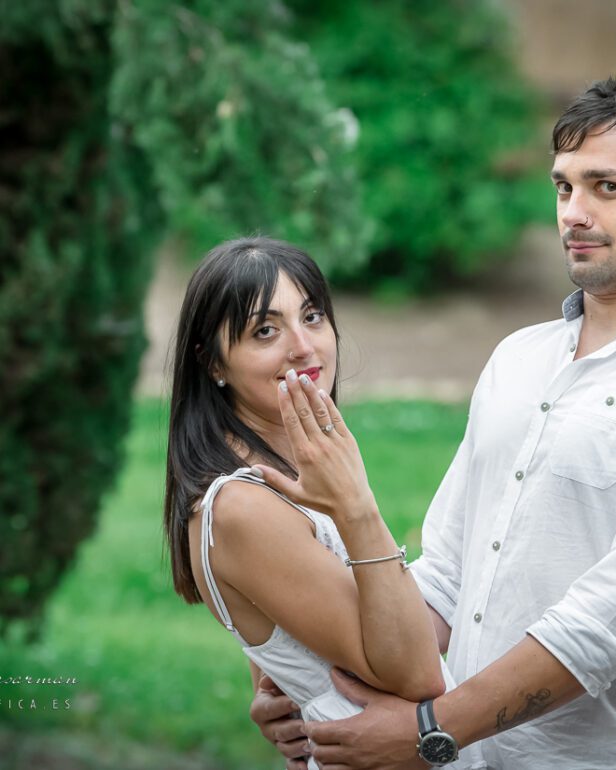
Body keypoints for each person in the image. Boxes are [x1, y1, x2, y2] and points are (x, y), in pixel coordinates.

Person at [250, 75, 616, 770]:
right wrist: (317, 689)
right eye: (563, 187)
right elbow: (446, 577)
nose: (573, 214)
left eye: (606, 187)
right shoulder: (517, 359)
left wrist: (431, 731)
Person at [163, 237, 485, 770]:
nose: (303, 346)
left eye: (312, 316)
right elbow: (418, 676)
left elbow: (277, 642)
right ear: (213, 364)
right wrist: (356, 508)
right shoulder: (242, 505)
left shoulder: (286, 476)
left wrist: (284, 688)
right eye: (265, 330)